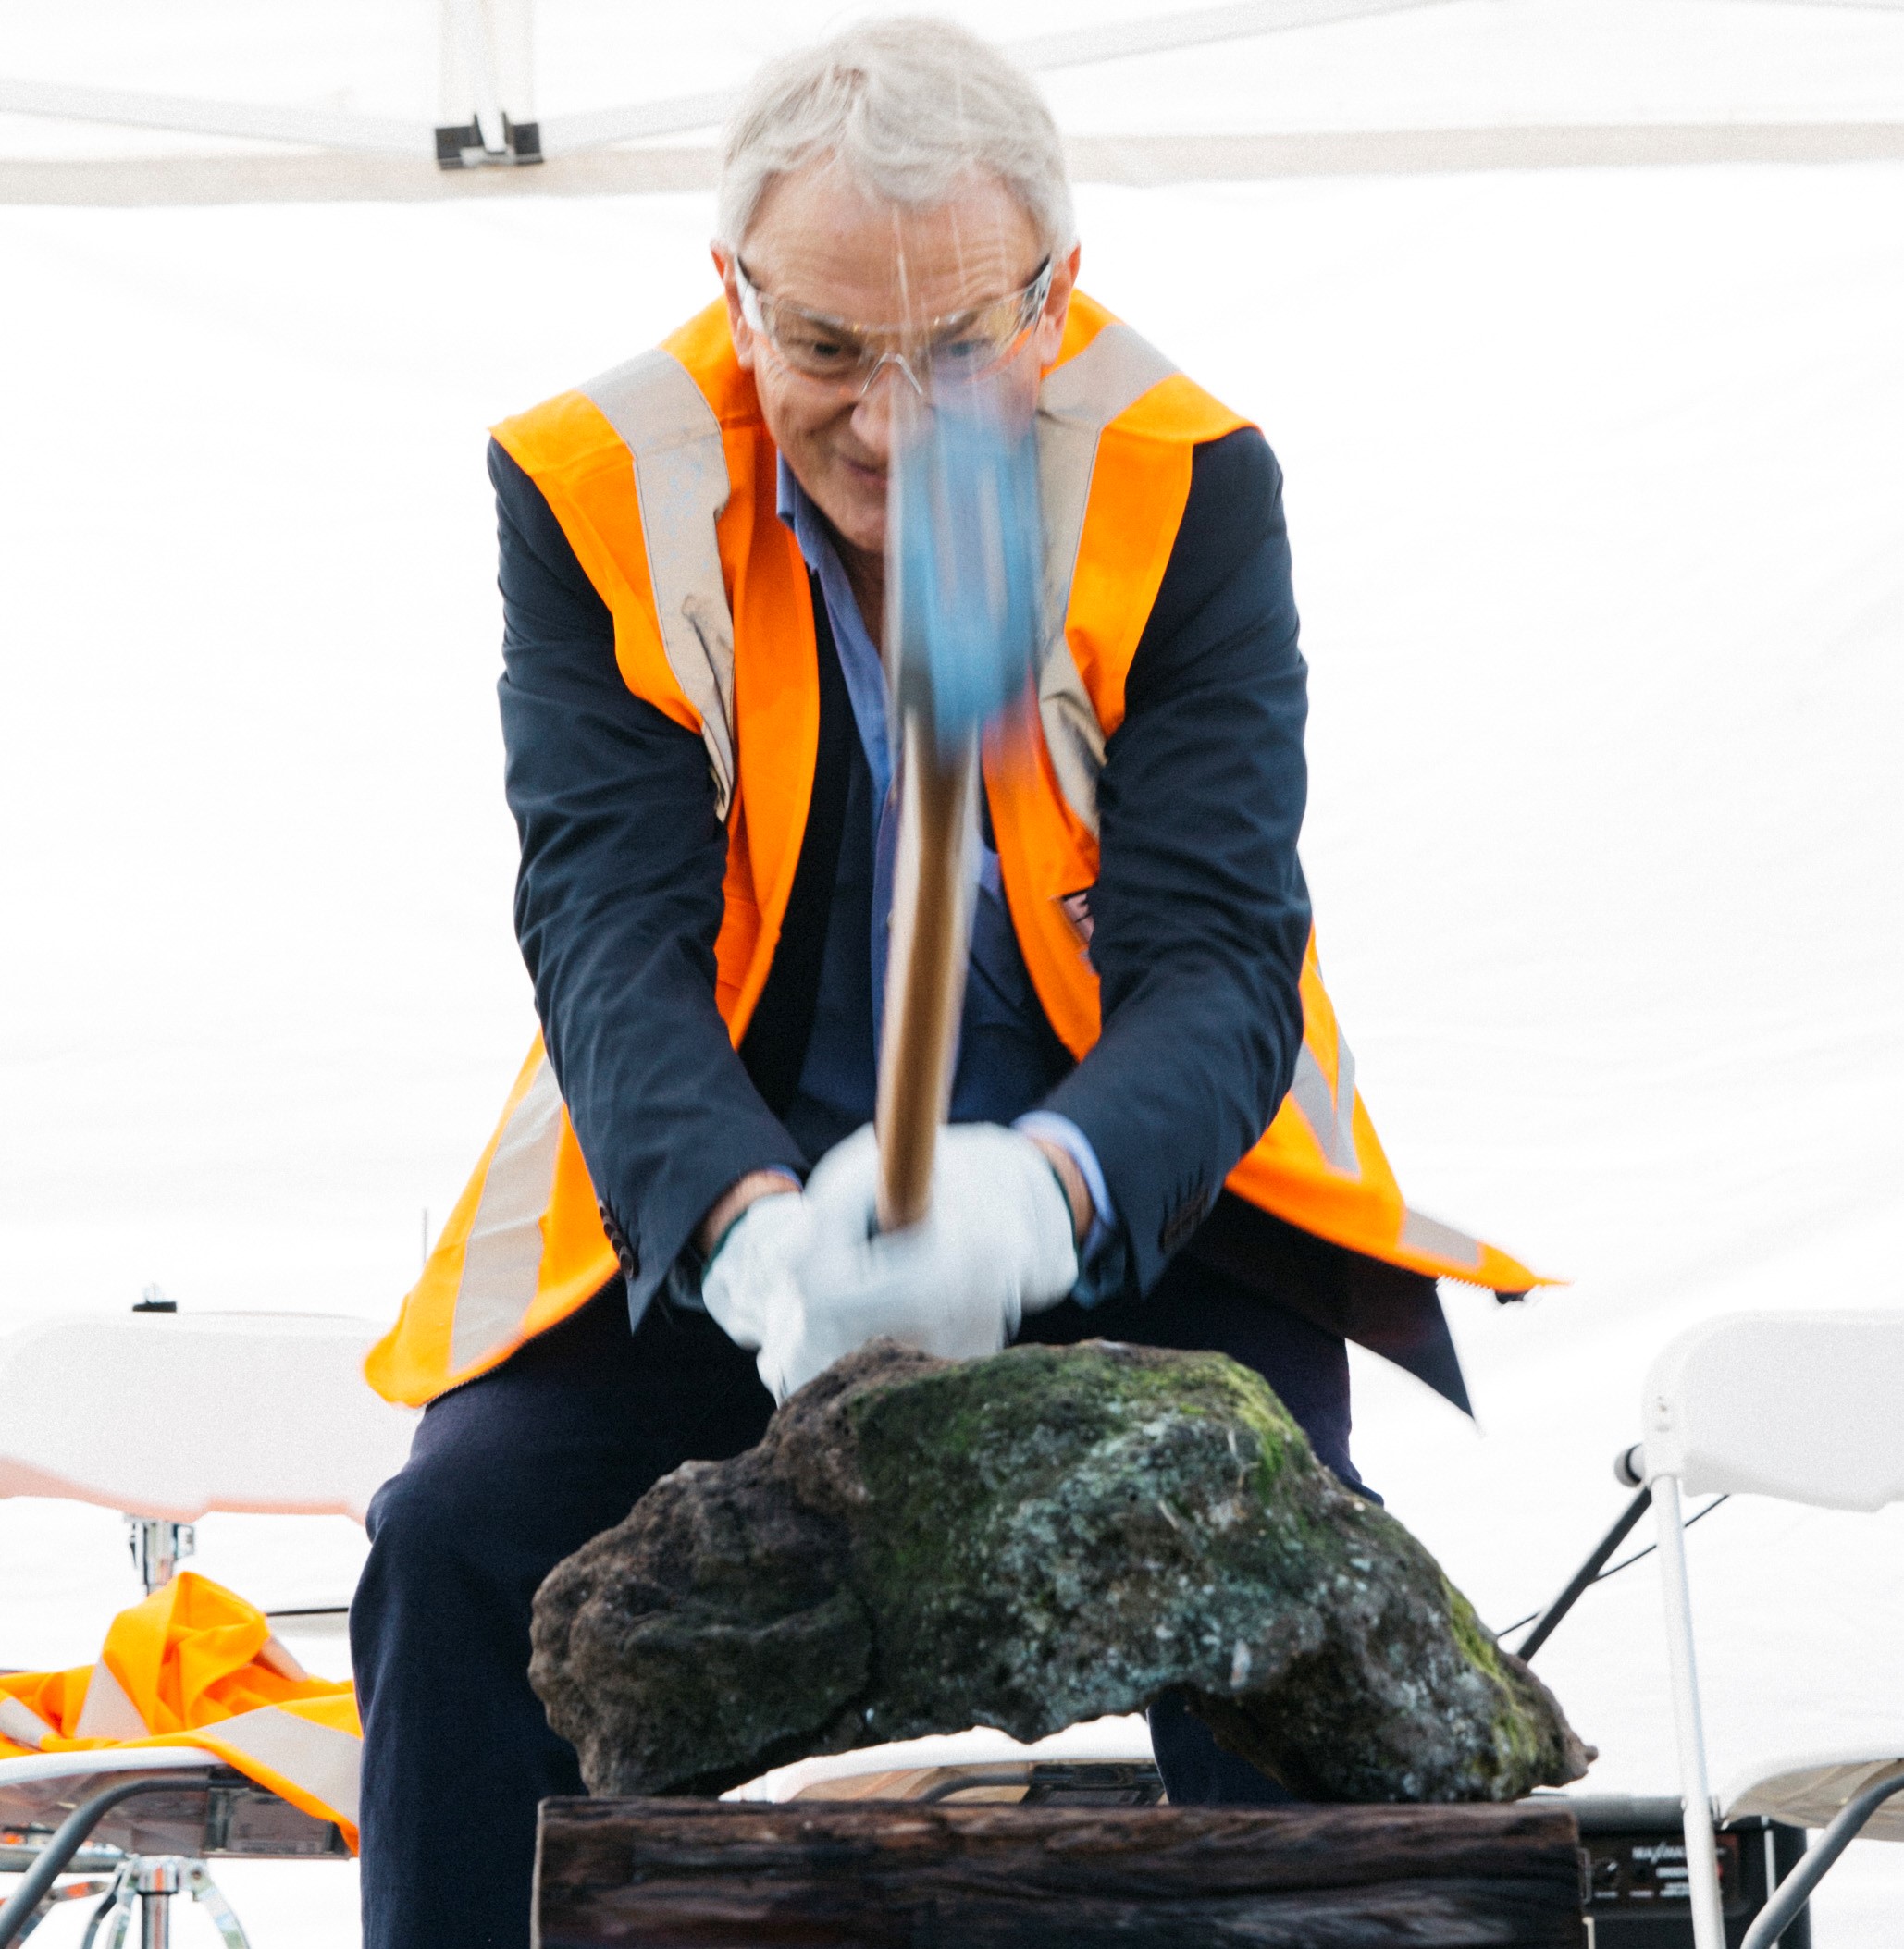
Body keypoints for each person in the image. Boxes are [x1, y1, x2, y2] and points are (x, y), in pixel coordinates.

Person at [351, 19, 1540, 1947]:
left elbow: (1226, 955)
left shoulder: (1189, 483)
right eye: (823, 345)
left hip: (1134, 1210)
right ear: (731, 291)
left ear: (1057, 290)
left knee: (1288, 1571)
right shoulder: (592, 485)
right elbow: (604, 923)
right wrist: (747, 1234)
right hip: (745, 1199)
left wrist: (1039, 1187)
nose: (891, 422)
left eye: (959, 347)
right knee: (458, 1540)